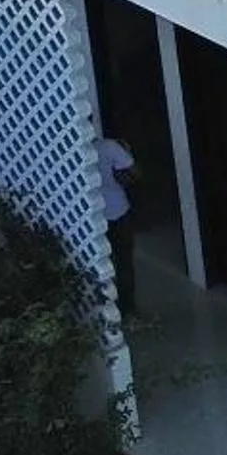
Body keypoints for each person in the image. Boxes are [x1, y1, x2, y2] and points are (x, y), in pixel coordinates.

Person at [97, 135, 139, 318]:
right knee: (124, 261)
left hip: (95, 215)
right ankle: (127, 307)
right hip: (118, 210)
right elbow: (135, 172)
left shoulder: (74, 151)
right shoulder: (108, 146)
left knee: (100, 264)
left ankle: (105, 308)